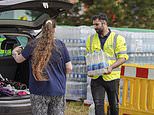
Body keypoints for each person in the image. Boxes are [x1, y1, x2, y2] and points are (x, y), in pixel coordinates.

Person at [12, 19, 72, 115]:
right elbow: (69, 68)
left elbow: (19, 60)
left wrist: (14, 52)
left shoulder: (32, 44)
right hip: (58, 90)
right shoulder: (61, 45)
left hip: (38, 91)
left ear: (42, 28)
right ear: (54, 29)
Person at [86, 13, 129, 115]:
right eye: (94, 25)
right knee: (98, 105)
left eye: (97, 25)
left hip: (112, 77)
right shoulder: (90, 39)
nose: (94, 27)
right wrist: (89, 70)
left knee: (114, 105)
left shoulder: (118, 38)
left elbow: (123, 58)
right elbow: (88, 57)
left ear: (104, 23)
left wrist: (111, 67)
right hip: (96, 77)